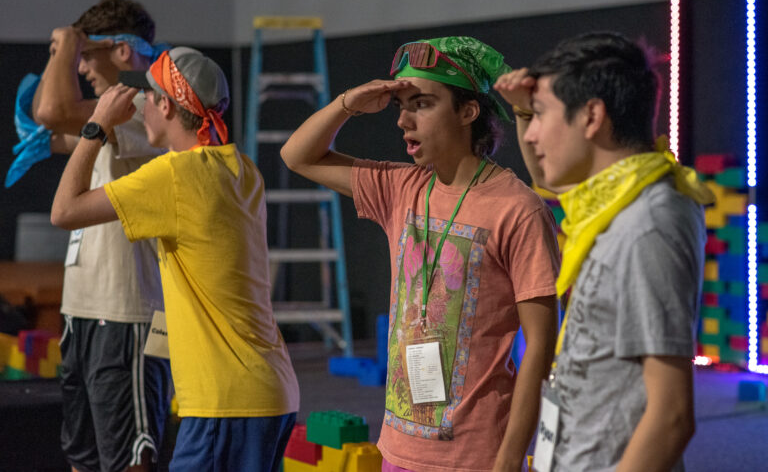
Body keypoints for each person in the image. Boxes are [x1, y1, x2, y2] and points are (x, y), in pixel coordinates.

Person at [281, 36, 560, 472]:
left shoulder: (517, 209)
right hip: (398, 451)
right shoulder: (402, 188)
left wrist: (509, 458)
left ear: (468, 112)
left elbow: (541, 346)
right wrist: (349, 103)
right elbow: (297, 156)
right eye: (400, 106)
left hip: (476, 458)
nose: (403, 120)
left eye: (422, 104)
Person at [50, 47, 300, 472]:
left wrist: (97, 126)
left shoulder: (174, 176)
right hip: (272, 391)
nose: (140, 106)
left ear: (165, 105)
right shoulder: (242, 169)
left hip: (226, 401)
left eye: (147, 97)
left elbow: (64, 211)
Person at [494, 32, 713, 472]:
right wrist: (523, 108)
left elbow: (671, 417)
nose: (531, 134)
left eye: (541, 115)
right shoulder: (611, 200)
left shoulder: (646, 223)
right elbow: (547, 177)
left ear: (592, 116)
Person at [31, 0, 171, 472]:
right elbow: (46, 120)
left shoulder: (139, 108)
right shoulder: (104, 119)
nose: (81, 67)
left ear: (123, 52)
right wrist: (65, 50)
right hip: (83, 312)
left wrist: (66, 43)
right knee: (83, 455)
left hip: (127, 316)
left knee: (128, 456)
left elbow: (53, 110)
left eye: (87, 55)